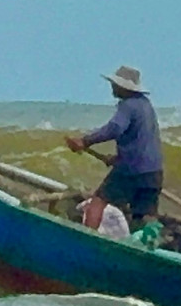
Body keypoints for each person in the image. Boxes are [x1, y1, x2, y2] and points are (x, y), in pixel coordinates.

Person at [65, 66, 163, 231]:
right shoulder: (146, 105)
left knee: (97, 202)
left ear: (123, 87)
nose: (112, 87)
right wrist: (118, 158)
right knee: (145, 216)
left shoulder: (127, 105)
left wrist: (85, 141)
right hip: (154, 172)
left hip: (131, 171)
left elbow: (115, 128)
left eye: (115, 84)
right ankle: (147, 242)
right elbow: (142, 140)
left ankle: (89, 238)